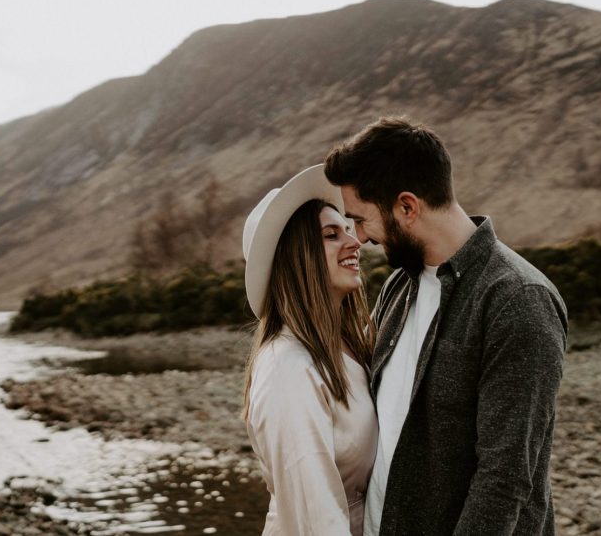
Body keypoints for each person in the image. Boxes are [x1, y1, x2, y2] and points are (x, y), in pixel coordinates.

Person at [324, 117, 568, 535]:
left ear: (407, 206)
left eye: (361, 220)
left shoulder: (518, 300)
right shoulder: (399, 285)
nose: (360, 238)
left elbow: (504, 478)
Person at [241, 164, 377, 536]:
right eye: (332, 235)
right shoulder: (287, 367)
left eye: (348, 229)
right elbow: (317, 512)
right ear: (296, 258)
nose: (354, 243)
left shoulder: (356, 343)